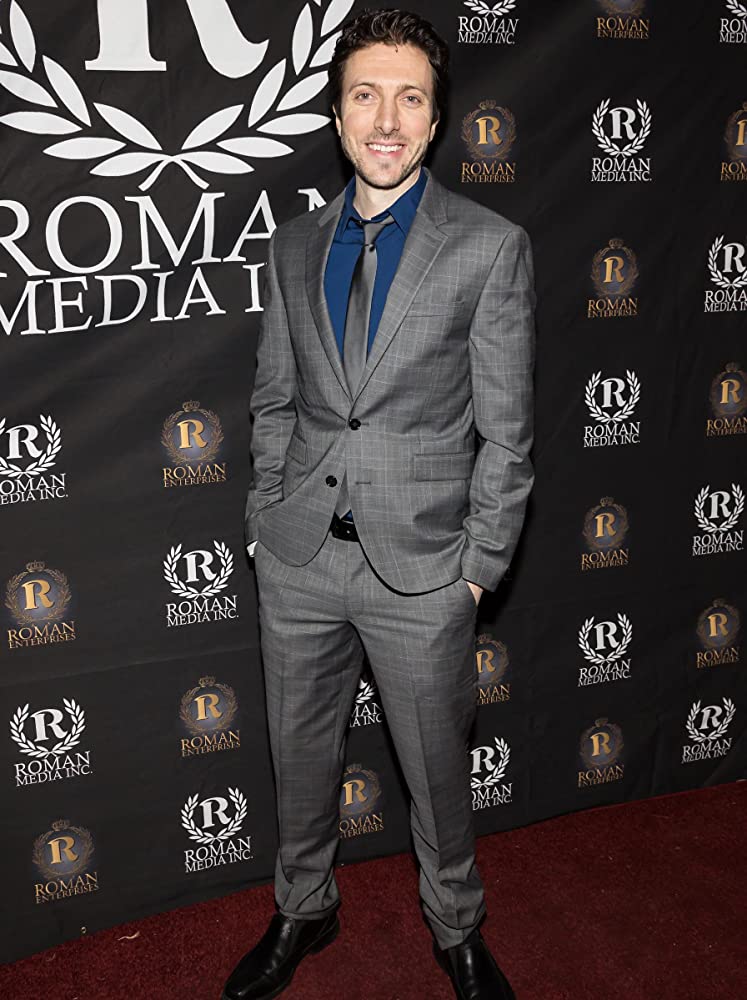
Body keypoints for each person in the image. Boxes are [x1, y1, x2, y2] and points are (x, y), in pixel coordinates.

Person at [222, 8, 536, 999]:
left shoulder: (489, 247)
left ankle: (456, 926)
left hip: (424, 568)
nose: (386, 119)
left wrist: (476, 573)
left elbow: (508, 434)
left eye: (409, 98)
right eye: (366, 95)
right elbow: (274, 400)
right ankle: (303, 907)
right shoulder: (292, 246)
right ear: (338, 112)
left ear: (436, 120)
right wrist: (265, 525)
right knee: (299, 755)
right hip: (301, 555)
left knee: (437, 769)